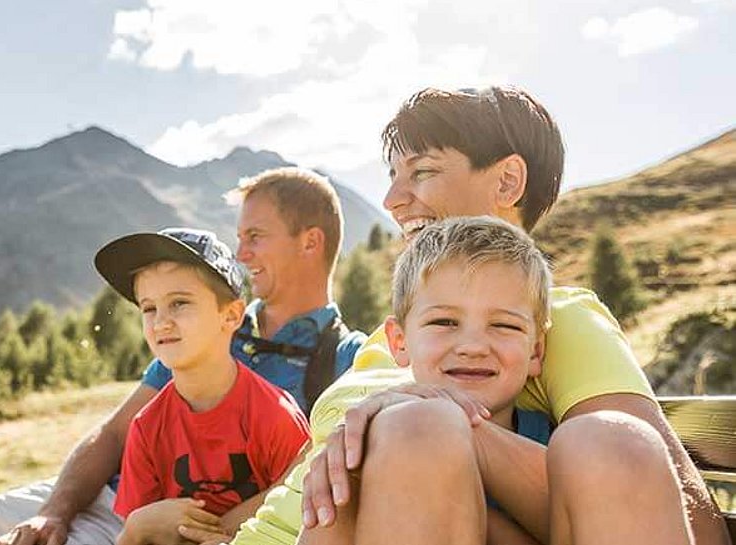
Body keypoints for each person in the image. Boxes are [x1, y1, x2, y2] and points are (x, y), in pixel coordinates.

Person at [281, 86, 726, 544]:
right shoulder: (391, 336)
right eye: (393, 175)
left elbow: (656, 501)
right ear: (401, 339)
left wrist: (442, 418)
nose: (392, 199)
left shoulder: (560, 318)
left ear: (508, 182)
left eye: (423, 171)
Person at [0, 166, 366, 545]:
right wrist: (55, 512)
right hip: (118, 500)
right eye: (238, 238)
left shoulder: (345, 357)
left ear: (310, 241)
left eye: (255, 237)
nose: (241, 253)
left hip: (203, 526)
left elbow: (309, 476)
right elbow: (118, 432)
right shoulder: (187, 330)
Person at [316, 216, 558, 544]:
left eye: (505, 326)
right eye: (444, 321)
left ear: (535, 352)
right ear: (399, 341)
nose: (473, 347)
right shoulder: (368, 445)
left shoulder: (559, 452)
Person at [93, 228, 310, 545]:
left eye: (179, 303)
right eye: (149, 308)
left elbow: (303, 515)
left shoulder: (274, 416)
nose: (161, 322)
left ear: (231, 315)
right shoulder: (146, 427)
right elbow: (138, 537)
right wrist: (138, 527)